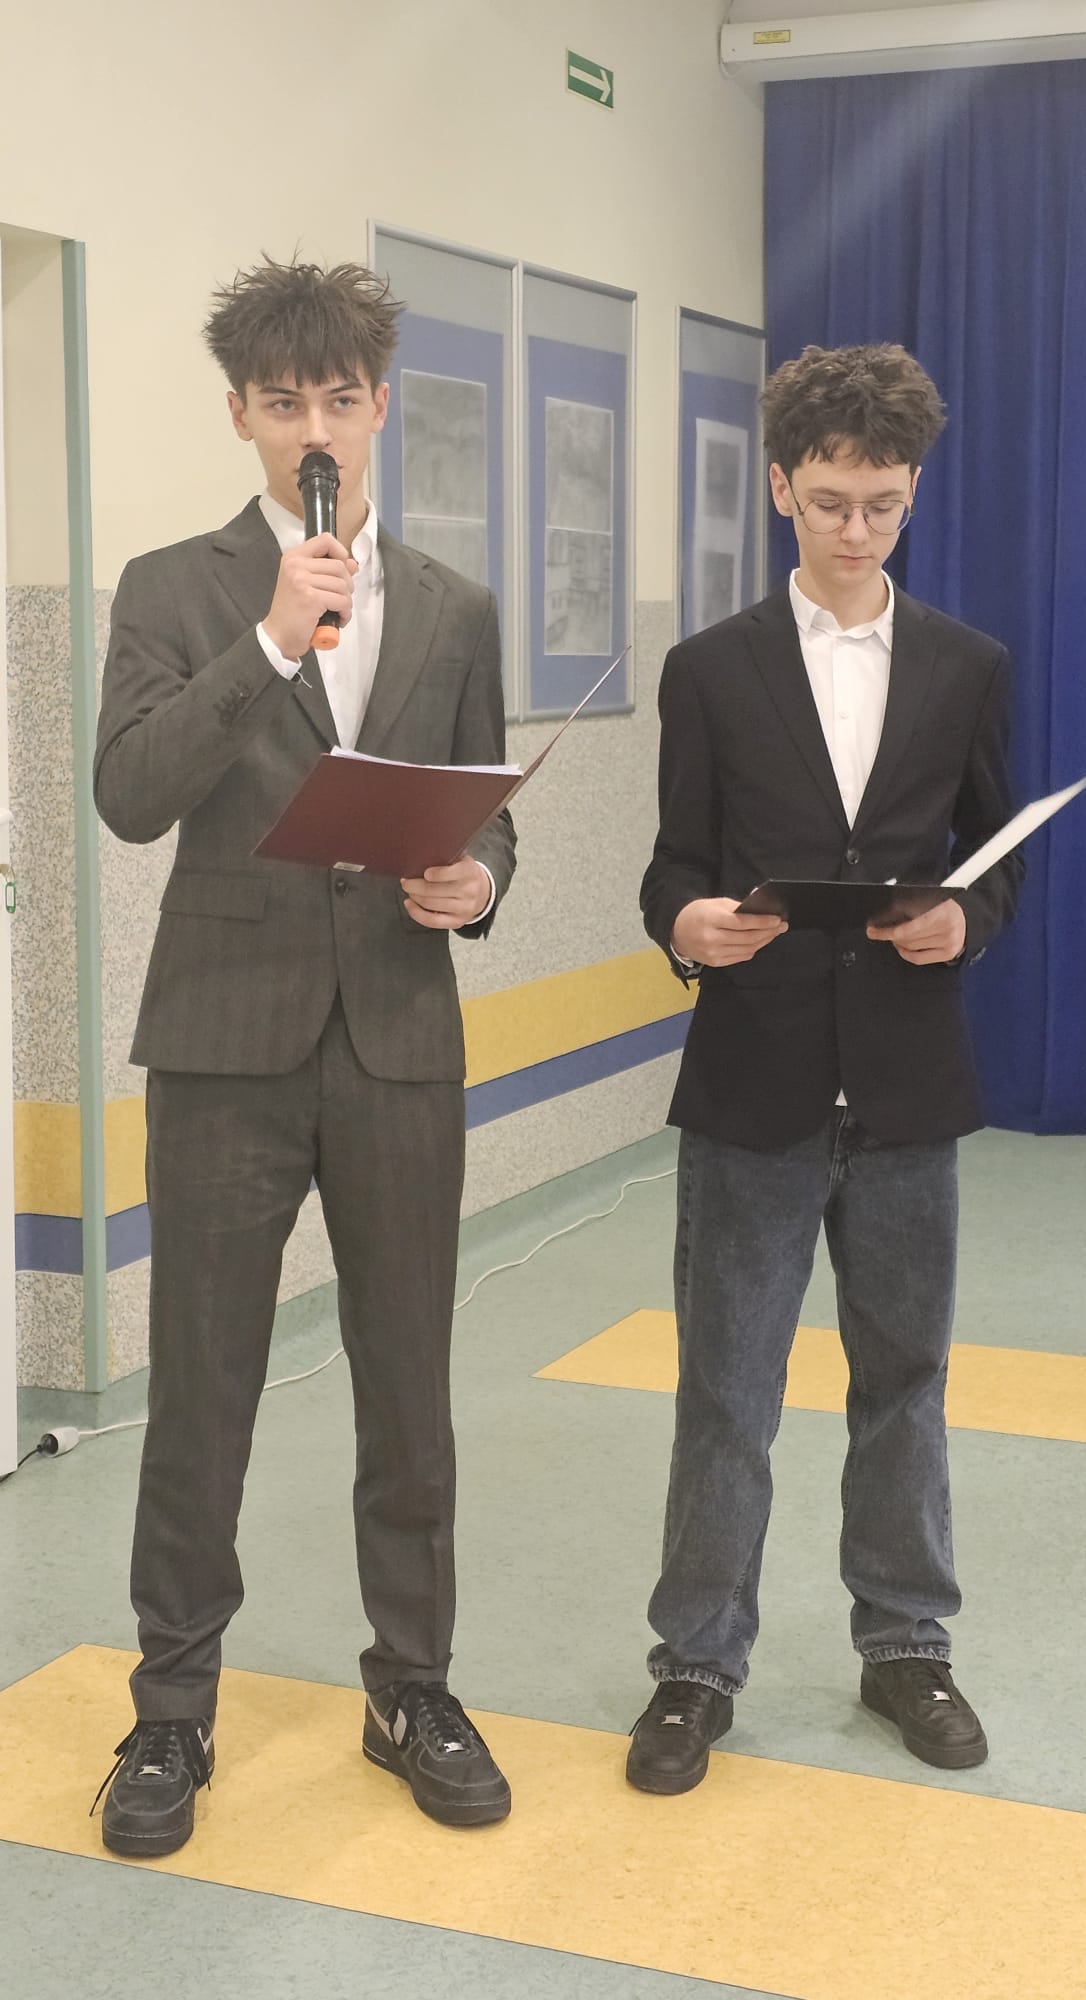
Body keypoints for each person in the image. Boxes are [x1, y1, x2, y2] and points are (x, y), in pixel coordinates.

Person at [91, 257, 516, 1854]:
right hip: (224, 1041)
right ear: (241, 417)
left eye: (340, 398)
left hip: (398, 1035)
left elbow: (483, 804)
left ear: (379, 406)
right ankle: (171, 1707)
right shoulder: (172, 588)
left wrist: (479, 883)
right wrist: (272, 641)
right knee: (202, 1386)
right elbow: (131, 793)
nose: (314, 426)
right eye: (284, 403)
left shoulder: (454, 607)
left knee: (408, 1386)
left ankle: (413, 1686)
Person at [628, 343, 1021, 1795]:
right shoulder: (709, 670)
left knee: (904, 1379)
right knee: (725, 1388)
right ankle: (694, 1665)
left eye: (884, 504)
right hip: (754, 1079)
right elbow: (673, 860)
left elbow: (994, 858)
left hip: (909, 1084)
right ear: (784, 485)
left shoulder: (967, 667)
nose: (858, 529)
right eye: (833, 501)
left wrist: (966, 918)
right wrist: (685, 922)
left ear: (912, 494)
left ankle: (905, 1645)